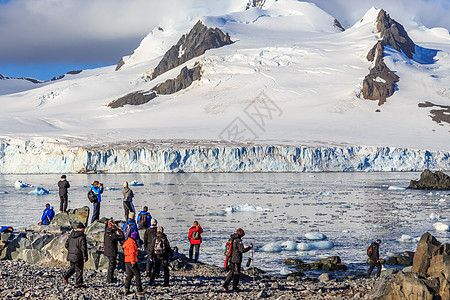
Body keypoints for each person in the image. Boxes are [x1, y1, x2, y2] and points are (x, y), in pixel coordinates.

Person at [63, 223, 88, 288]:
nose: (84, 230)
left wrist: (71, 250)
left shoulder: (71, 235)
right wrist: (85, 257)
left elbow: (66, 245)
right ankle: (78, 284)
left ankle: (66, 276)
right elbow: (83, 248)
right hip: (78, 256)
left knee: (73, 268)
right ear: (82, 229)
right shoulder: (82, 237)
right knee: (79, 270)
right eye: (84, 229)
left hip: (71, 256)